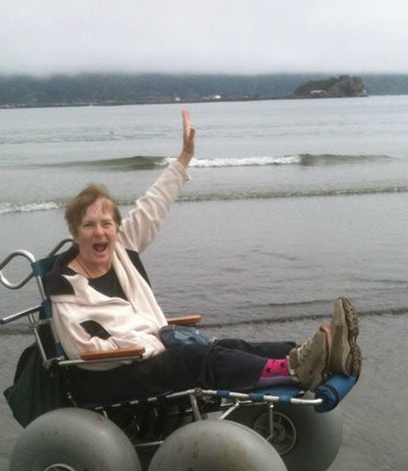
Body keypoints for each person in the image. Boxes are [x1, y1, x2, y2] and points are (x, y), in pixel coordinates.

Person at [45, 110, 361, 406]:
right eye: (89, 225)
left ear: (116, 228)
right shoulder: (66, 289)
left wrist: (184, 158)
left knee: (226, 347)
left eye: (107, 224)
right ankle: (294, 370)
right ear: (75, 233)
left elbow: (153, 205)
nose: (100, 233)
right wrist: (147, 347)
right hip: (113, 377)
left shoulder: (121, 250)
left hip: (153, 353)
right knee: (195, 357)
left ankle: (315, 355)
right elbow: (82, 350)